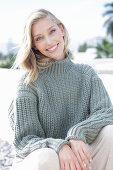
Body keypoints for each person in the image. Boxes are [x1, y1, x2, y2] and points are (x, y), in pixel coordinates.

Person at [8, 8, 113, 170]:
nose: (49, 42)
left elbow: (106, 113)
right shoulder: (28, 82)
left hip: (79, 156)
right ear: (34, 45)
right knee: (46, 156)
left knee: (110, 133)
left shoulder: (86, 74)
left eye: (52, 31)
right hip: (40, 160)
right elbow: (24, 139)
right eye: (39, 38)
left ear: (61, 30)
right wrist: (59, 146)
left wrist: (77, 133)